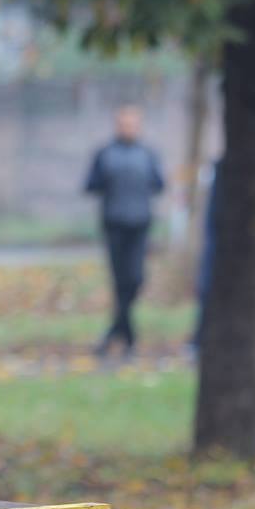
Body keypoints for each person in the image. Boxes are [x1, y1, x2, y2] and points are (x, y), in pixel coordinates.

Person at [85, 105, 165, 357]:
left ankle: (113, 333)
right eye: (124, 124)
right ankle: (128, 340)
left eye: (132, 124)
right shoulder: (105, 154)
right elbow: (91, 184)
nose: (128, 128)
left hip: (140, 224)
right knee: (120, 282)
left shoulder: (147, 154)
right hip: (115, 224)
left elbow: (159, 184)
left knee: (136, 279)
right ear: (117, 126)